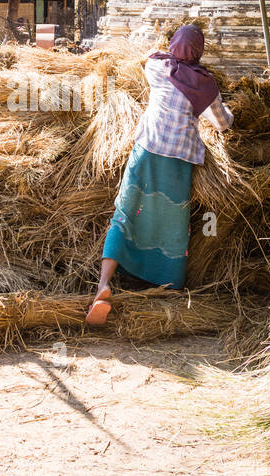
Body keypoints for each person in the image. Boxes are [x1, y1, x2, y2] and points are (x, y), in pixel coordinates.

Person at [87, 24, 234, 327]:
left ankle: (104, 285)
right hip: (178, 162)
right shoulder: (205, 86)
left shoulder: (157, 67)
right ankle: (167, 291)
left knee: (125, 213)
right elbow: (222, 124)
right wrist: (227, 111)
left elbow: (152, 58)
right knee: (173, 225)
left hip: (145, 151)